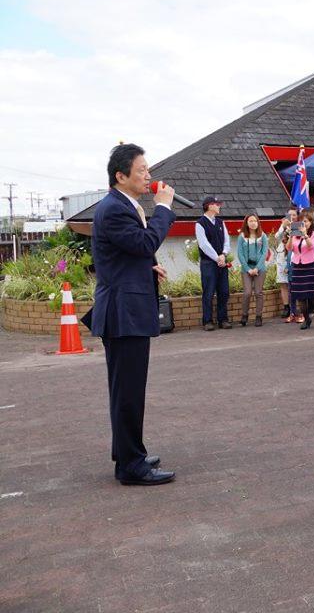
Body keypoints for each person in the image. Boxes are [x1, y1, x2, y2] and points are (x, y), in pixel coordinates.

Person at [85, 143, 176, 485]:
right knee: (128, 392)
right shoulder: (115, 209)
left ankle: (127, 454)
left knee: (127, 390)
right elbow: (144, 243)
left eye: (147, 169)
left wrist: (146, 268)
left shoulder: (122, 205)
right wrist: (163, 208)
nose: (148, 175)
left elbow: (128, 253)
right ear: (120, 176)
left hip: (126, 308)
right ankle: (131, 466)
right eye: (141, 170)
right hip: (123, 314)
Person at [195, 195, 232, 330]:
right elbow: (204, 245)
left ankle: (223, 319)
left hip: (222, 262)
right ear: (209, 206)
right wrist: (217, 258)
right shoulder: (200, 223)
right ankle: (208, 321)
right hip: (208, 264)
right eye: (217, 204)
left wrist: (224, 254)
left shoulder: (221, 222)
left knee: (224, 291)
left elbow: (227, 241)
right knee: (208, 292)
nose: (219, 206)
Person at [286, 210, 314, 330]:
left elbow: (311, 246)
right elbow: (289, 248)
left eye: (306, 221)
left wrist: (305, 235)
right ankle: (306, 319)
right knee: (300, 296)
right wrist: (290, 236)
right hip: (297, 266)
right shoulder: (295, 234)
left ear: (310, 222)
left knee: (313, 295)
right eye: (301, 221)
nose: (304, 223)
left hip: (310, 266)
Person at [237, 213, 269, 327]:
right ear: (246, 223)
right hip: (246, 268)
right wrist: (248, 269)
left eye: (255, 221)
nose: (253, 223)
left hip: (260, 268)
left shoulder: (263, 236)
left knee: (259, 292)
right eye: (250, 221)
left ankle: (258, 317)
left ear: (258, 222)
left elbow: (264, 253)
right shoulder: (242, 236)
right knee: (247, 293)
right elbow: (240, 254)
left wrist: (257, 268)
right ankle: (244, 316)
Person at [275, 208, 297, 321]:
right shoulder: (282, 226)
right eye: (290, 215)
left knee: (293, 283)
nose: (292, 217)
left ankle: (295, 307)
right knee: (283, 283)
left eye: (294, 215)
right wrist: (283, 226)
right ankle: (286, 307)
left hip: (293, 257)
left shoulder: (299, 226)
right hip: (282, 257)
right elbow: (277, 237)